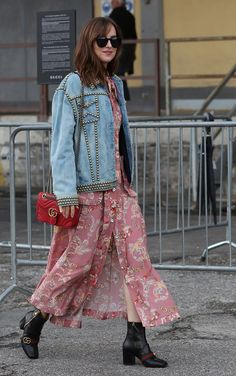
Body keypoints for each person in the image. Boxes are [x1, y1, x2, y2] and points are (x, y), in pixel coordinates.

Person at [19, 17, 179, 368]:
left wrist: (129, 183)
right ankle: (35, 320)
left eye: (115, 41)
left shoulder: (115, 86)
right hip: (87, 195)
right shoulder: (72, 86)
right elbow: (61, 146)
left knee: (135, 264)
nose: (109, 45)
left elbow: (120, 142)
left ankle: (136, 339)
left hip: (121, 192)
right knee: (75, 265)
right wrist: (66, 194)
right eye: (102, 40)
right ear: (89, 43)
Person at [109, 0, 137, 100]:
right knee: (120, 74)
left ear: (118, 3)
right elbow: (134, 36)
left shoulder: (113, 17)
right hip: (129, 51)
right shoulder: (130, 16)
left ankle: (122, 98)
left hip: (118, 51)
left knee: (116, 74)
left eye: (113, 1)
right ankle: (124, 97)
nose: (111, 3)